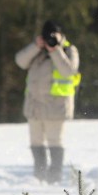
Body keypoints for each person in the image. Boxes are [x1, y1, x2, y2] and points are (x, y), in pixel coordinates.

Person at [15, 20, 80, 183]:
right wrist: (35, 46)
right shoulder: (37, 50)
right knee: (35, 142)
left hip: (56, 107)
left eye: (53, 35)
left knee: (54, 142)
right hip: (34, 106)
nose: (49, 38)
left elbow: (68, 71)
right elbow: (20, 61)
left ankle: (54, 176)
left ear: (61, 35)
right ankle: (39, 174)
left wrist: (55, 50)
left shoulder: (68, 50)